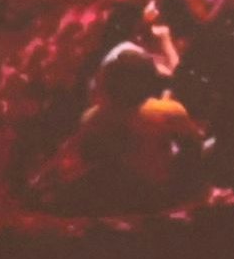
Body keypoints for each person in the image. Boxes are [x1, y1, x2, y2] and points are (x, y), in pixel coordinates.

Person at [55, 44, 212, 214]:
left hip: (116, 196)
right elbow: (193, 149)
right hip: (159, 192)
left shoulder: (92, 117)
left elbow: (88, 157)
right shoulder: (167, 111)